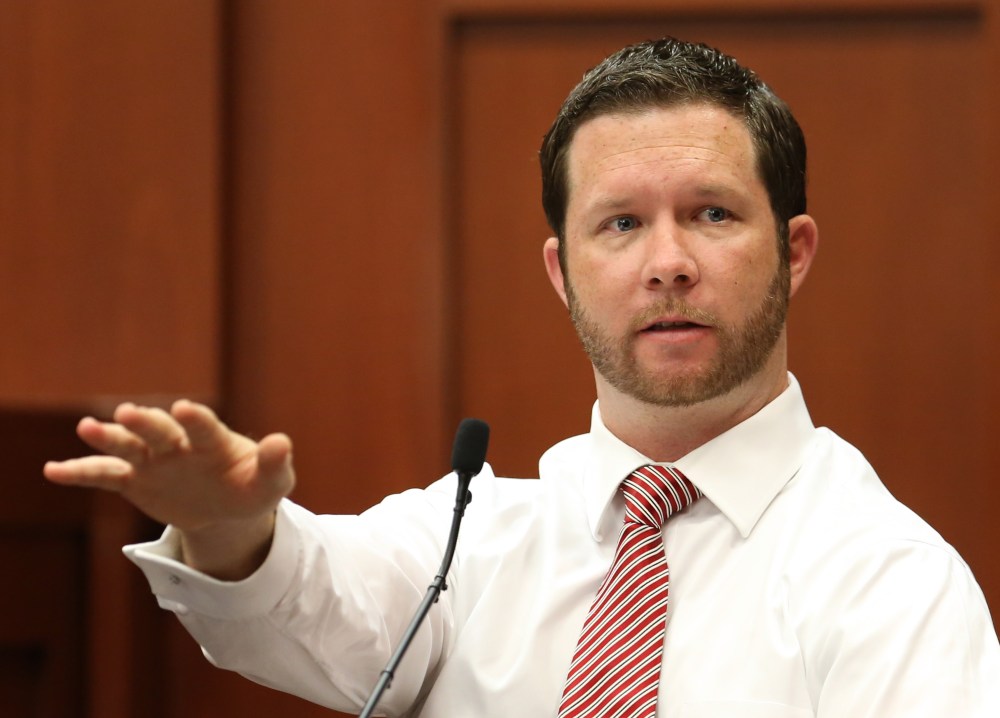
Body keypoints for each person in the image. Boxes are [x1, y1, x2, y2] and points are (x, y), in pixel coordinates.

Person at [44, 37, 999, 717]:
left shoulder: (892, 583)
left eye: (711, 213)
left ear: (793, 253)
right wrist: (225, 525)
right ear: (562, 271)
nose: (667, 262)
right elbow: (299, 600)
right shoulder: (468, 539)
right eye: (620, 224)